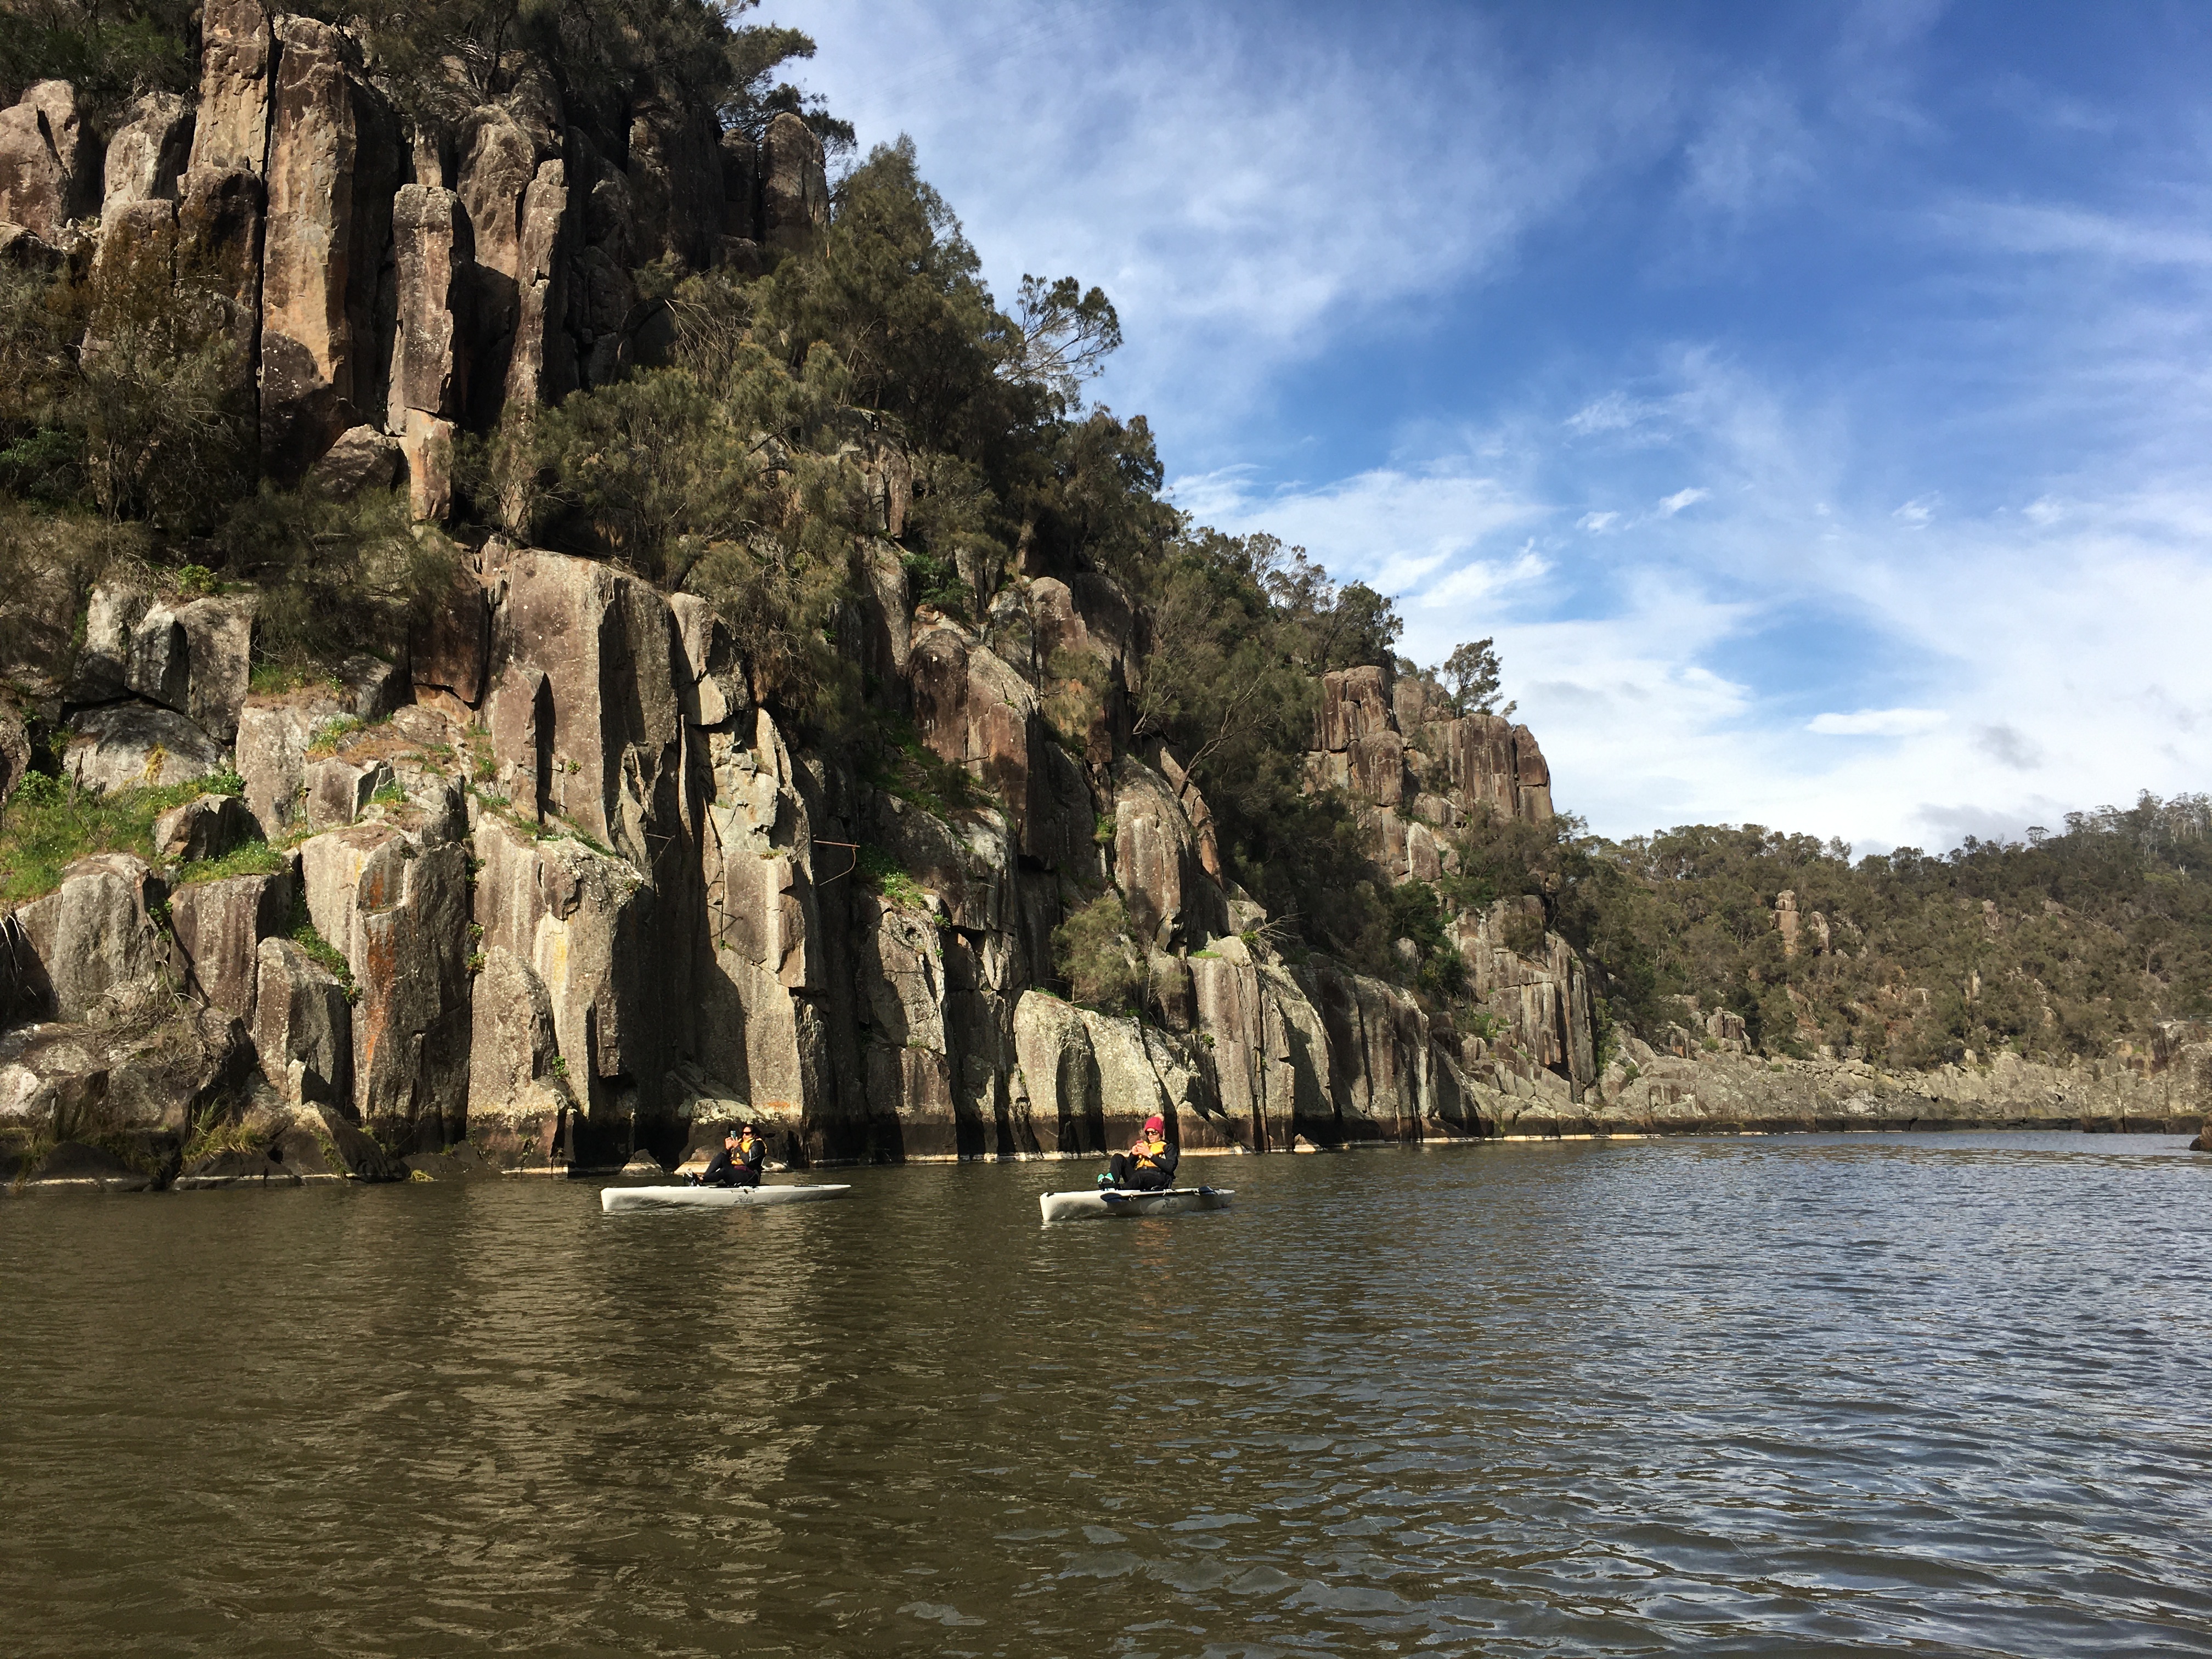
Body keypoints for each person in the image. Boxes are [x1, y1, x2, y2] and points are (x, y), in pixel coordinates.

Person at [1101, 1114, 1178, 1191]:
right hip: (1138, 1176)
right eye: (1148, 1133)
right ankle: (1110, 1182)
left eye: (1153, 1132)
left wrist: (1150, 1155)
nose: (1150, 1135)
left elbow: (1170, 1167)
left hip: (1158, 1177)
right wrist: (1133, 1156)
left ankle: (1120, 1188)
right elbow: (1126, 1167)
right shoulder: (1144, 1146)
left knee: (1141, 1176)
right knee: (1117, 1157)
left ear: (1160, 1133)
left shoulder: (1169, 1147)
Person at [699, 1124, 766, 1189]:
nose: (744, 1136)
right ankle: (702, 1179)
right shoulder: (741, 1143)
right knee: (722, 1156)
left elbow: (748, 1161)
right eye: (743, 1133)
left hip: (749, 1175)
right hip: (736, 1171)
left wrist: (737, 1147)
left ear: (754, 1134)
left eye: (747, 1134)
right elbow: (730, 1159)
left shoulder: (757, 1145)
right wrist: (728, 1149)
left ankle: (702, 1179)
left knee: (724, 1171)